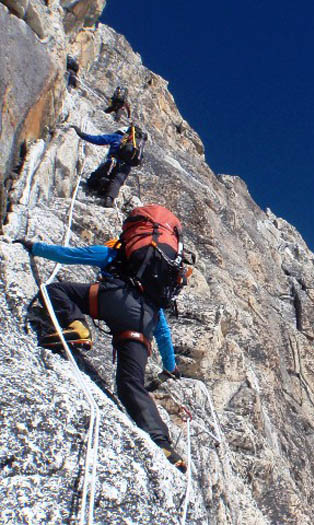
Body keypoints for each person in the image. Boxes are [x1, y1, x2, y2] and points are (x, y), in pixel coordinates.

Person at [14, 215, 189, 472]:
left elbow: (70, 255)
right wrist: (171, 366)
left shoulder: (114, 255)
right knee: (130, 385)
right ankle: (164, 445)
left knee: (56, 291)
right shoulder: (155, 295)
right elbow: (163, 335)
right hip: (142, 326)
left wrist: (34, 247)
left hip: (111, 299)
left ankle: (77, 327)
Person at [71, 124, 146, 207]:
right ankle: (109, 199)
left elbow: (98, 140)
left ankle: (96, 185)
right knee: (117, 182)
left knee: (92, 181)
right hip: (125, 168)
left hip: (111, 163)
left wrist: (81, 134)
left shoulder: (116, 137)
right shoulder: (137, 146)